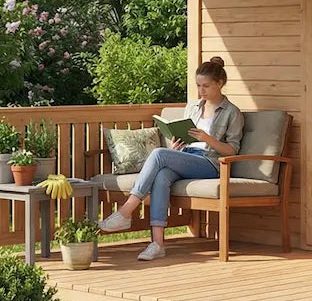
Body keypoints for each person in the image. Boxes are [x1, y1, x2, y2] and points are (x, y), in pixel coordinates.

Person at [98, 56, 244, 260]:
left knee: (158, 154)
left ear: (220, 84)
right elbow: (185, 138)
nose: (201, 91)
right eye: (198, 86)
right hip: (187, 156)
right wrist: (176, 146)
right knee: (163, 175)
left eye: (206, 86)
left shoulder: (232, 113)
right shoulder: (193, 107)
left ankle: (127, 210)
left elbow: (232, 151)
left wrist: (207, 139)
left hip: (212, 163)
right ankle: (158, 244)